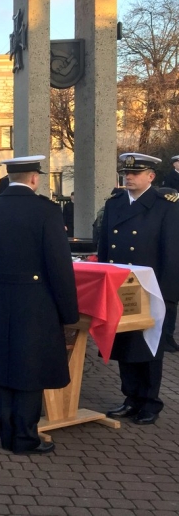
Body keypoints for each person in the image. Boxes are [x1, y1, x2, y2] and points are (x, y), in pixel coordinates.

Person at [0, 155, 79, 454]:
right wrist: (68, 311)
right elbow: (59, 265)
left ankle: (7, 432)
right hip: (37, 299)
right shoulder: (45, 211)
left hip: (4, 296)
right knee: (30, 367)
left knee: (6, 364)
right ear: (34, 178)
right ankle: (25, 437)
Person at [99, 153, 179, 426]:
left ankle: (150, 402)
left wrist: (168, 296)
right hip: (121, 285)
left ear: (151, 177)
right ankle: (131, 398)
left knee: (149, 347)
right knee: (124, 344)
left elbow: (172, 252)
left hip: (151, 289)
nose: (129, 177)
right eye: (126, 173)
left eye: (135, 173)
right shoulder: (115, 203)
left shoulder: (166, 206)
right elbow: (104, 247)